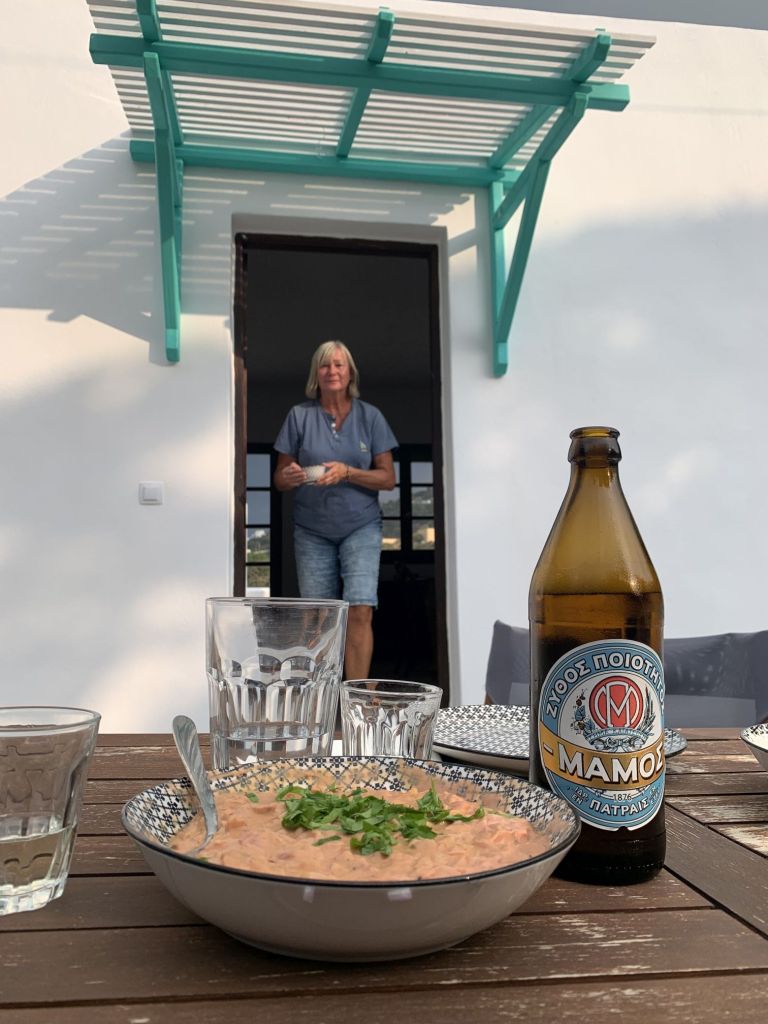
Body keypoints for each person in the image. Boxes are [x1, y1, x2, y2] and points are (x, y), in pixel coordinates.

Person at [273, 340, 397, 679]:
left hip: (361, 527)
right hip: (312, 530)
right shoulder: (299, 416)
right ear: (316, 373)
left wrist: (348, 472)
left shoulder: (370, 417)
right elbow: (280, 479)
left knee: (360, 610)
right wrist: (289, 476)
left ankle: (356, 696)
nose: (332, 371)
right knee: (318, 616)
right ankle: (322, 695)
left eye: (339, 364)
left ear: (350, 372)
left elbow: (388, 478)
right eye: (325, 365)